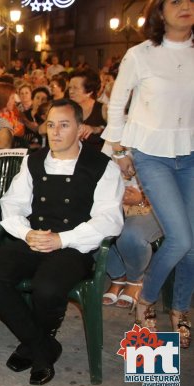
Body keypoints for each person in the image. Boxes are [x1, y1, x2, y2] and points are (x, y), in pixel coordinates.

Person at [0, 99, 124, 385]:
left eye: (64, 125)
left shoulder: (102, 166)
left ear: (81, 129)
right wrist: (26, 233)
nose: (55, 132)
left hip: (74, 246)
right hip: (36, 237)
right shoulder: (33, 160)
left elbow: (109, 220)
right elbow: (12, 203)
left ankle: (33, 347)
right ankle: (43, 346)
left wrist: (62, 239)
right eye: (51, 124)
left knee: (47, 286)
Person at [102, 0, 193, 349]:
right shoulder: (141, 54)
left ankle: (181, 310)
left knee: (193, 246)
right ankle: (147, 297)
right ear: (159, 12)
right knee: (181, 239)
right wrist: (121, 150)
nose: (185, 5)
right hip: (151, 155)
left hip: (191, 155)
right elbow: (115, 104)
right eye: (175, 1)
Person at [103, 173, 162, 309]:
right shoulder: (112, 150)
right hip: (114, 201)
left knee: (131, 235)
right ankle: (118, 276)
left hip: (155, 204)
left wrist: (143, 198)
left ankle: (135, 280)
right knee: (91, 230)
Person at [68, 69, 107, 150]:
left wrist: (96, 129)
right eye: (70, 88)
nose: (71, 91)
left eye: (75, 88)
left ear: (89, 91)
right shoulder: (67, 109)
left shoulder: (103, 109)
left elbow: (116, 133)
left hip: (97, 158)